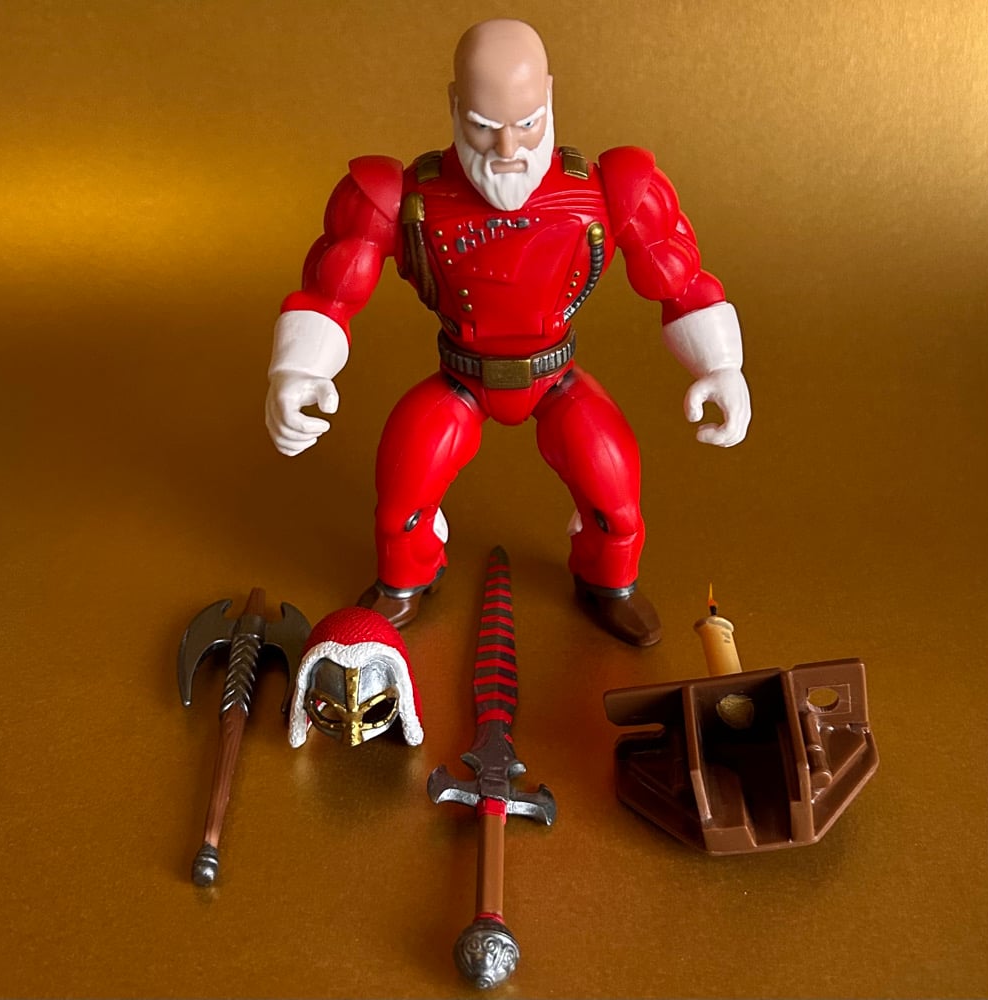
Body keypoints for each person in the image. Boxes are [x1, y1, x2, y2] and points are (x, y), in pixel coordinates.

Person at [265, 19, 751, 646]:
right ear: (453, 106)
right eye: (482, 126)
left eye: (527, 123)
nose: (506, 148)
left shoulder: (609, 191)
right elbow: (330, 292)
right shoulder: (401, 197)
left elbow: (680, 280)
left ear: (549, 97)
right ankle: (406, 580)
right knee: (402, 499)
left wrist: (720, 365)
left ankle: (610, 582)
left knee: (615, 497)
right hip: (461, 376)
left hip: (556, 375)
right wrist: (297, 370)